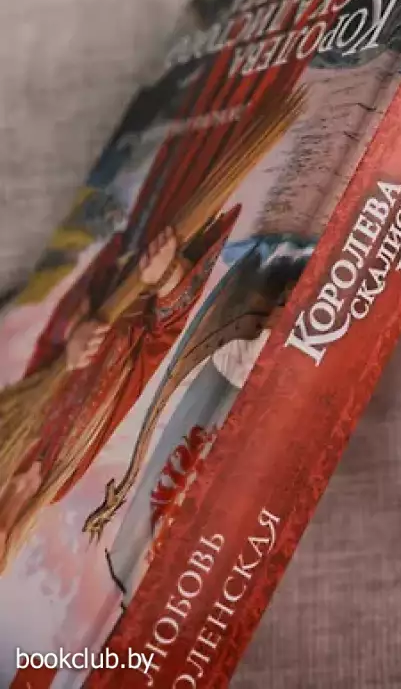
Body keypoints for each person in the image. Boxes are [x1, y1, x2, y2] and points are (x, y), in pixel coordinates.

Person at [0, 207, 240, 576]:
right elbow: (148, 356)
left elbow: (42, 303)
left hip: (135, 224)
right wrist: (167, 279)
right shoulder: (61, 478)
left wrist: (69, 336)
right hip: (166, 259)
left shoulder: (6, 427)